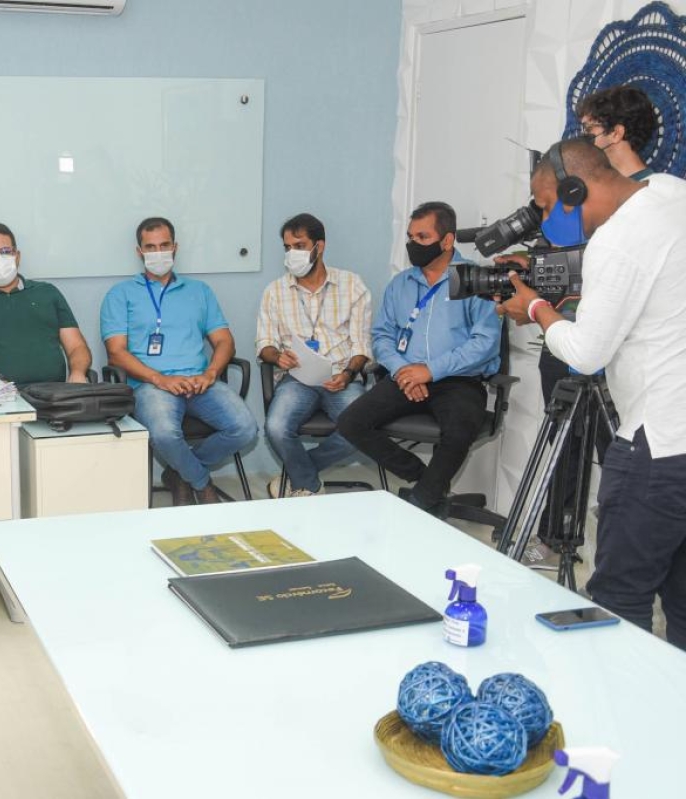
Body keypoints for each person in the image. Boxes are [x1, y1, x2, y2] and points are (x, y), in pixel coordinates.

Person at [497, 139, 686, 650]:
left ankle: (623, 724)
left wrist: (535, 308)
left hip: (656, 445)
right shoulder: (671, 195)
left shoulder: (617, 241)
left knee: (619, 599)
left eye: (544, 205)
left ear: (574, 189)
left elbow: (584, 353)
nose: (542, 220)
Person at [337, 201, 501, 514]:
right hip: (405, 375)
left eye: (423, 237)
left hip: (458, 380)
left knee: (460, 429)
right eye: (411, 237)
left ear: (447, 240)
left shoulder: (475, 280)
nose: (414, 245)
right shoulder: (400, 284)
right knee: (350, 422)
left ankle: (421, 502)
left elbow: (485, 343)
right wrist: (403, 371)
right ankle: (427, 482)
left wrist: (430, 370)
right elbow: (382, 336)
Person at [100, 216, 257, 505]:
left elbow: (224, 341)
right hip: (150, 385)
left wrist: (210, 374)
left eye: (164, 245)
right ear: (139, 252)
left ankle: (179, 473)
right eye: (150, 246)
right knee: (164, 433)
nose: (158, 253)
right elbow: (116, 353)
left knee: (245, 428)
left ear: (175, 247)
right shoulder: (120, 294)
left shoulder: (200, 291)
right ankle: (200, 481)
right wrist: (161, 379)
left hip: (200, 381)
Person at [257, 213, 372, 498]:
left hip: (340, 377)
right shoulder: (275, 291)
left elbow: (361, 348)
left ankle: (301, 475)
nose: (292, 254)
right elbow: (264, 344)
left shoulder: (352, 285)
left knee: (362, 425)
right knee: (275, 427)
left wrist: (347, 374)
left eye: (299, 245)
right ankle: (308, 483)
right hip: (297, 378)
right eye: (287, 248)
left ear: (319, 246)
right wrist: (277, 357)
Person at [0, 222, 91, 385]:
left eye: (6, 252)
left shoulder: (48, 293)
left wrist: (77, 373)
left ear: (17, 256)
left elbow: (77, 346)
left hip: (54, 396)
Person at [577, 84, 658, 181]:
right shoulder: (605, 187)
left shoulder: (653, 191)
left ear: (616, 133)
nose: (582, 136)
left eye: (588, 128)